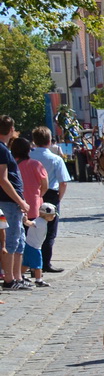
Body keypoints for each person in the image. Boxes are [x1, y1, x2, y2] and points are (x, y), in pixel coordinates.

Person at [29, 127, 68, 273]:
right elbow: (63, 182)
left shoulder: (28, 156)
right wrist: (59, 198)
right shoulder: (55, 159)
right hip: (51, 194)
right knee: (50, 232)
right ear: (50, 141)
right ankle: (45, 263)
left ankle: (31, 263)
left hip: (32, 193)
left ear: (34, 140)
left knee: (31, 228)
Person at [10, 138, 45, 287]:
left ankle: (17, 271)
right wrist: (38, 196)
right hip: (33, 207)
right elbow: (45, 185)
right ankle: (31, 270)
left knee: (15, 241)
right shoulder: (36, 164)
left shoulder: (11, 165)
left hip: (15, 205)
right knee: (31, 242)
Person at [0, 117, 30, 290]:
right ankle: (9, 280)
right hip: (8, 202)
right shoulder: (2, 150)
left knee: (19, 240)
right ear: (11, 129)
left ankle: (17, 277)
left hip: (12, 202)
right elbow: (3, 179)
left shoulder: (4, 149)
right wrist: (20, 201)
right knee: (10, 241)